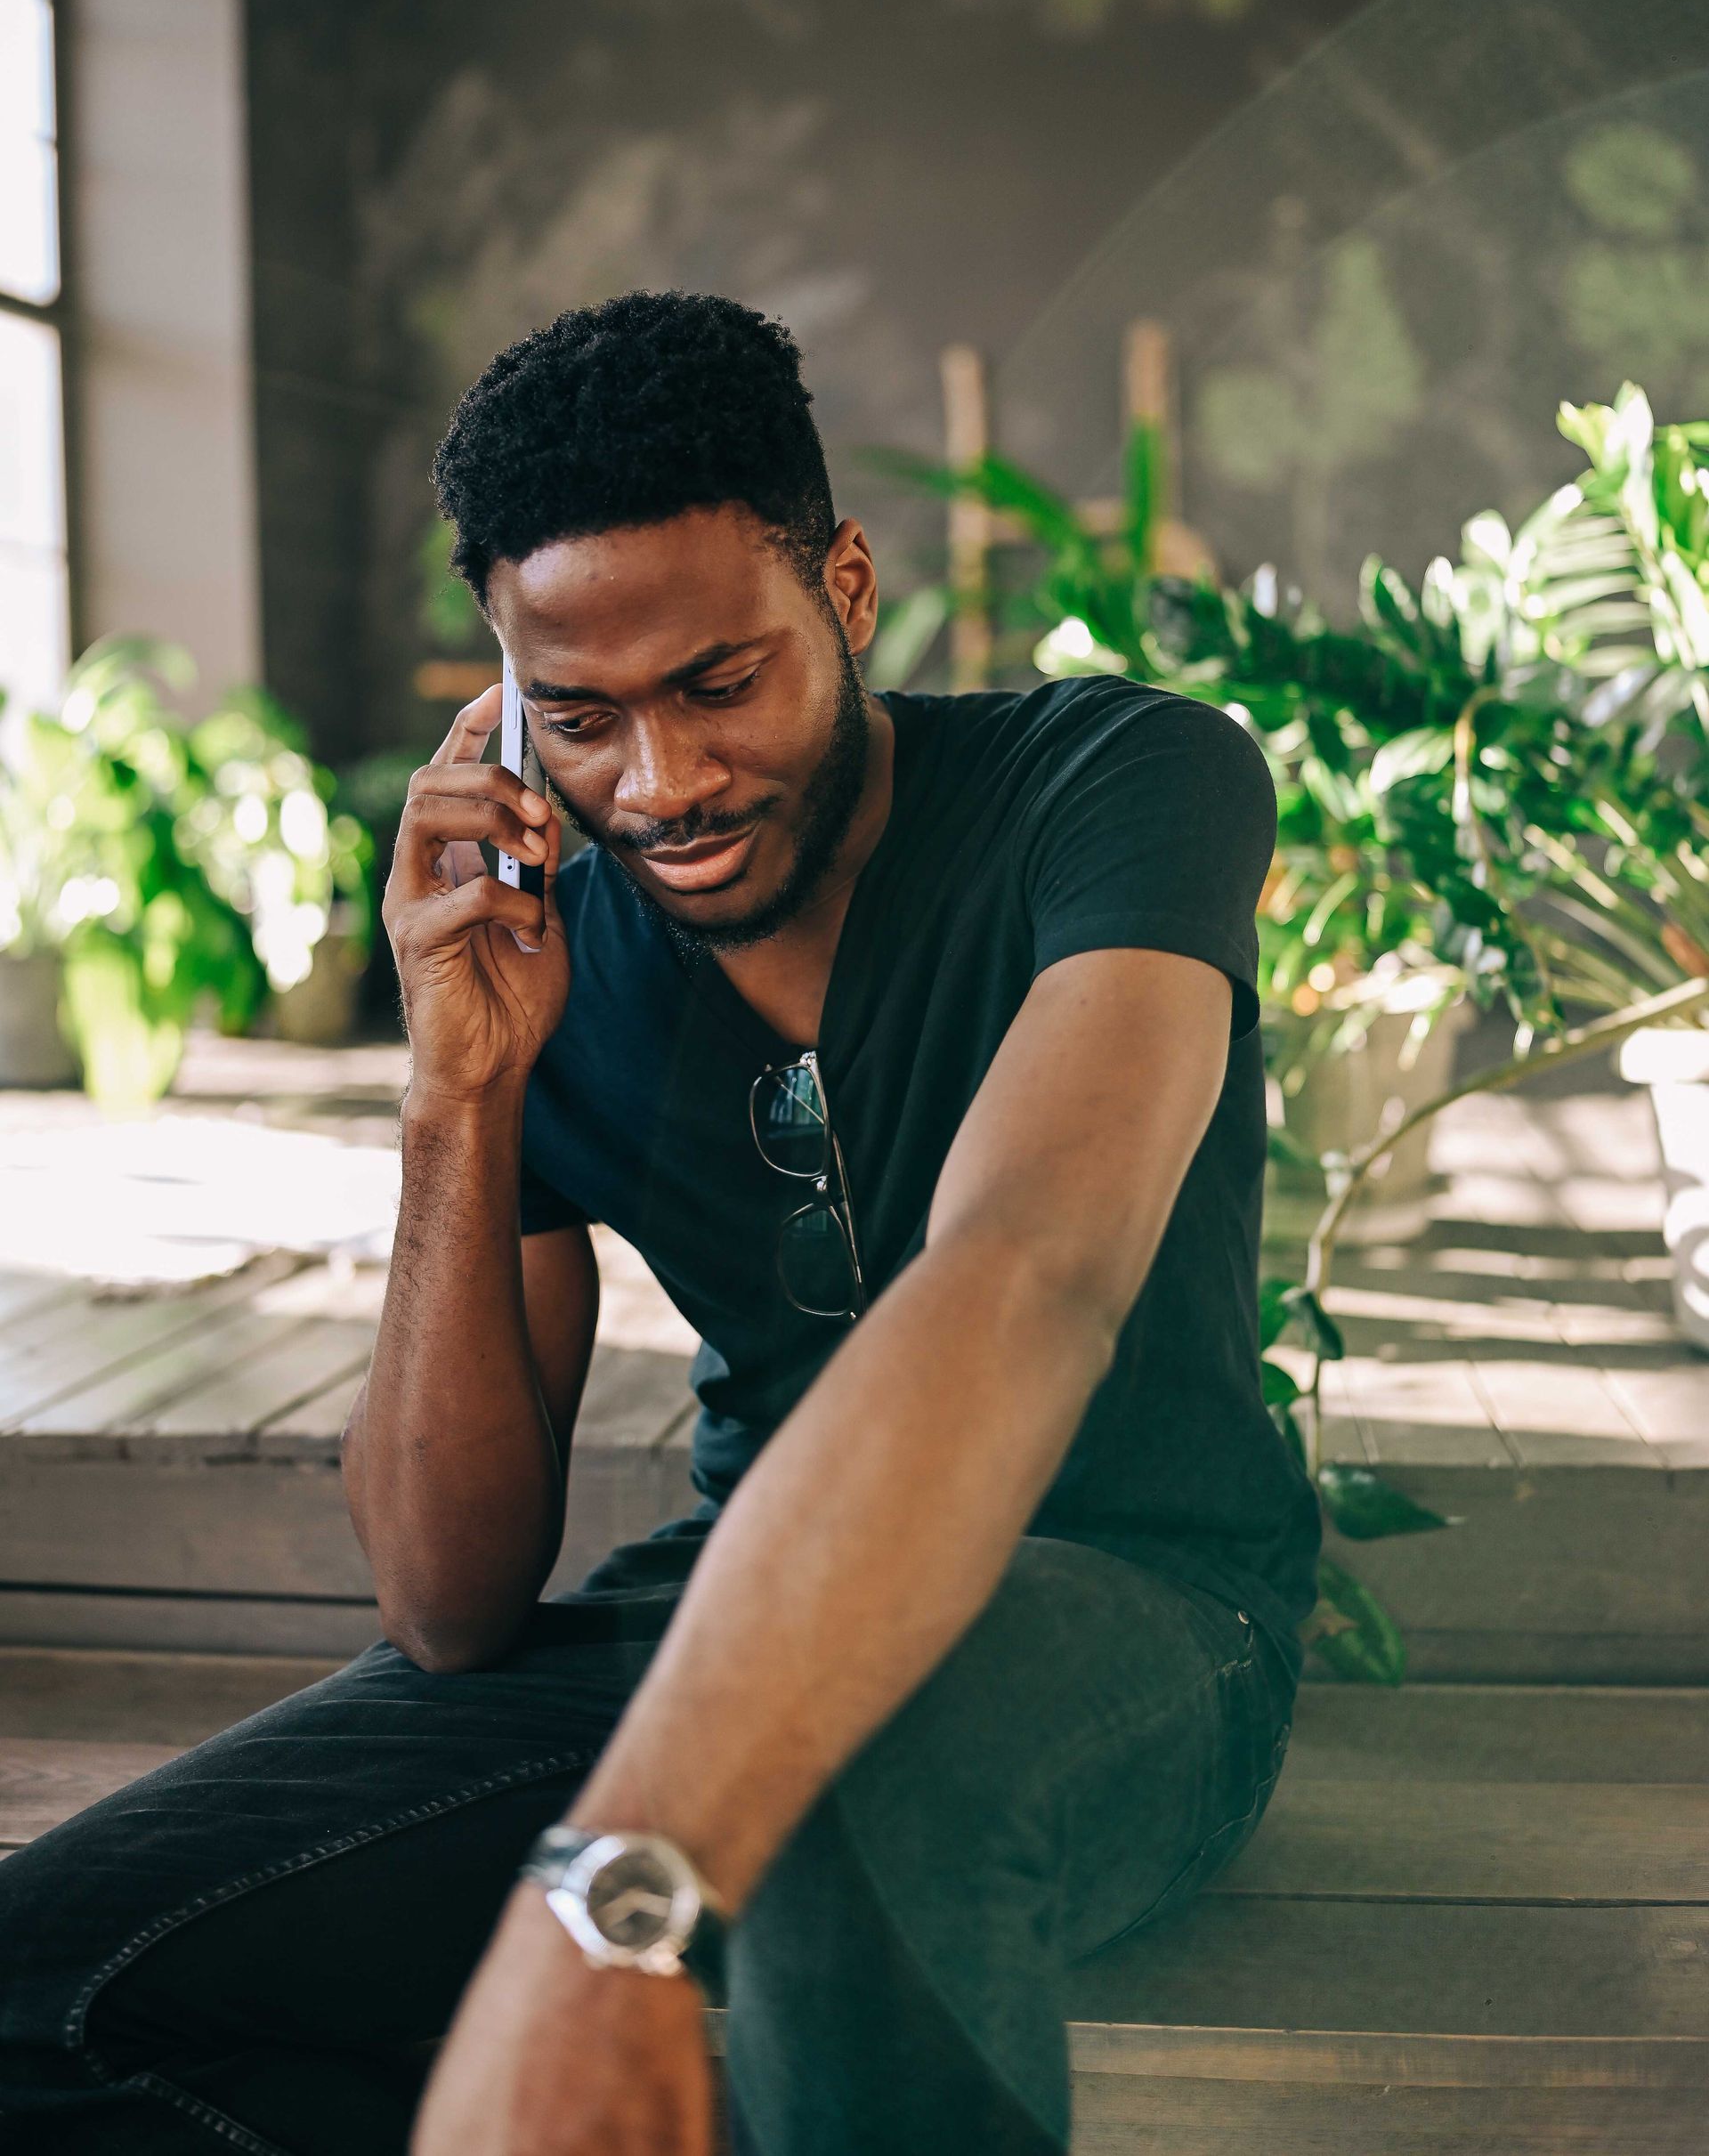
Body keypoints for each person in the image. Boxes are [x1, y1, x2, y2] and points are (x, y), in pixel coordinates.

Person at [0, 290, 1320, 2155]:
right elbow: (450, 1601)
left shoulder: (1115, 788)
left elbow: (1025, 1276)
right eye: (581, 717)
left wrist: (600, 1904)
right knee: (49, 1984)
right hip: (723, 1608)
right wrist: (460, 1096)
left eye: (720, 683)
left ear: (847, 591)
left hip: (1136, 1609)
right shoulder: (555, 942)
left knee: (847, 1785)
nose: (662, 784)